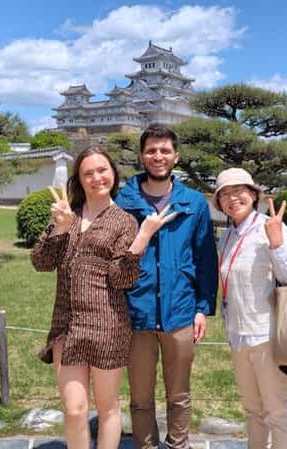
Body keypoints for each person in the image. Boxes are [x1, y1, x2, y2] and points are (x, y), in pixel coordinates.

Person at [31, 147, 177, 449]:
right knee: (74, 410)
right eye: (88, 173)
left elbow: (122, 278)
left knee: (108, 407)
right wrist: (58, 227)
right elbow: (41, 263)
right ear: (79, 179)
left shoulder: (123, 221)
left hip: (108, 325)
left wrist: (142, 239)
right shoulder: (67, 214)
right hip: (67, 326)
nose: (97, 177)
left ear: (113, 173)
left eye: (102, 170)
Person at [115, 124, 218, 449]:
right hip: (137, 313)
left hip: (181, 312)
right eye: (151, 150)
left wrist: (203, 308)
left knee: (179, 394)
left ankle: (178, 445)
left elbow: (205, 259)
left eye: (164, 150)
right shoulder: (124, 200)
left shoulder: (193, 203)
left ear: (176, 156)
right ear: (142, 156)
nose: (157, 156)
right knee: (140, 397)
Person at [213, 168, 287, 449]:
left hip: (267, 335)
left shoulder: (271, 226)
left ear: (252, 194)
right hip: (238, 335)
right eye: (224, 194)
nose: (232, 198)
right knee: (253, 409)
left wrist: (276, 241)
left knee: (277, 410)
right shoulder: (228, 235)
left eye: (238, 191)